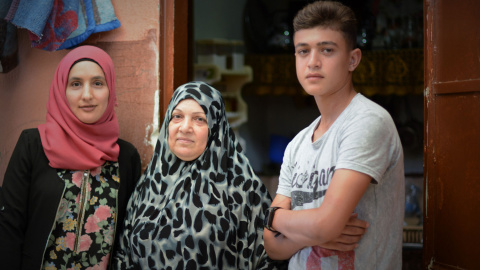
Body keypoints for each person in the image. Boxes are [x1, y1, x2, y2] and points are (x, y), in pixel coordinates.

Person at [263, 1, 405, 269]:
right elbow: (272, 246)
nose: (313, 62)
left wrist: (273, 218)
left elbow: (325, 224)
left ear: (353, 59)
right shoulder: (298, 144)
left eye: (327, 50)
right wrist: (311, 232)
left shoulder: (367, 122)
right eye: (303, 51)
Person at [112, 81, 286, 269]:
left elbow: (270, 260)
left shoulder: (244, 189)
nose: (185, 127)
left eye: (199, 119)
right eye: (177, 116)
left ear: (215, 129)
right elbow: (123, 254)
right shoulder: (148, 185)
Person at [0, 45, 142, 269]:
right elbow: (8, 225)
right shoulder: (34, 145)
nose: (87, 95)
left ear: (110, 89)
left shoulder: (125, 157)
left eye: (98, 83)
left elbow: (129, 235)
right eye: (76, 84)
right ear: (61, 90)